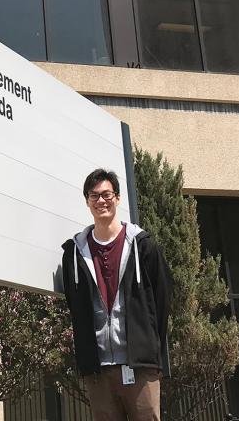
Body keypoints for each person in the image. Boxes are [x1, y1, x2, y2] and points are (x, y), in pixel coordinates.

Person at [61, 168, 172, 421]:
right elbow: (74, 305)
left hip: (140, 365)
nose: (101, 200)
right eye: (94, 196)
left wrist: (148, 346)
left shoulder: (143, 245)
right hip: (98, 369)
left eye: (106, 194)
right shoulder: (75, 253)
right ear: (88, 202)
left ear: (118, 198)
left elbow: (162, 299)